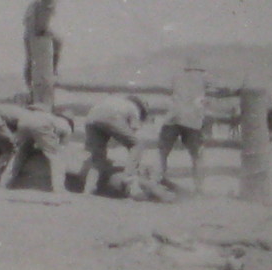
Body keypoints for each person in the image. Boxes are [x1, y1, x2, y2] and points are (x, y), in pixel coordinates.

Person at [157, 55, 240, 194]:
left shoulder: (177, 76)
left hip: (172, 118)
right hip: (192, 120)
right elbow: (221, 88)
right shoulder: (204, 77)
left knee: (163, 153)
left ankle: (159, 179)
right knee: (197, 156)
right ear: (200, 68)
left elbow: (168, 91)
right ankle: (199, 188)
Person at [80, 95, 149, 197]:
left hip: (91, 117)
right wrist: (135, 162)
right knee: (137, 144)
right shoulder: (134, 109)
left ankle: (89, 188)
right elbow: (134, 133)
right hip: (111, 116)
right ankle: (129, 178)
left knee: (98, 157)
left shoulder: (115, 100)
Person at [0, 104, 74, 193]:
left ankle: (4, 182)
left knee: (19, 153)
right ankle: (59, 188)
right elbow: (62, 147)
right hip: (41, 125)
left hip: (24, 121)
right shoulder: (66, 126)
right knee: (56, 158)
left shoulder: (51, 117)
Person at [23, 0, 63, 92]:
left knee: (58, 43)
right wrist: (34, 35)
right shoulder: (34, 7)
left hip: (43, 32)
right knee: (31, 59)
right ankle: (29, 84)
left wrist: (46, 31)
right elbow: (28, 23)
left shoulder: (49, 7)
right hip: (31, 34)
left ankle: (53, 70)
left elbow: (47, 21)